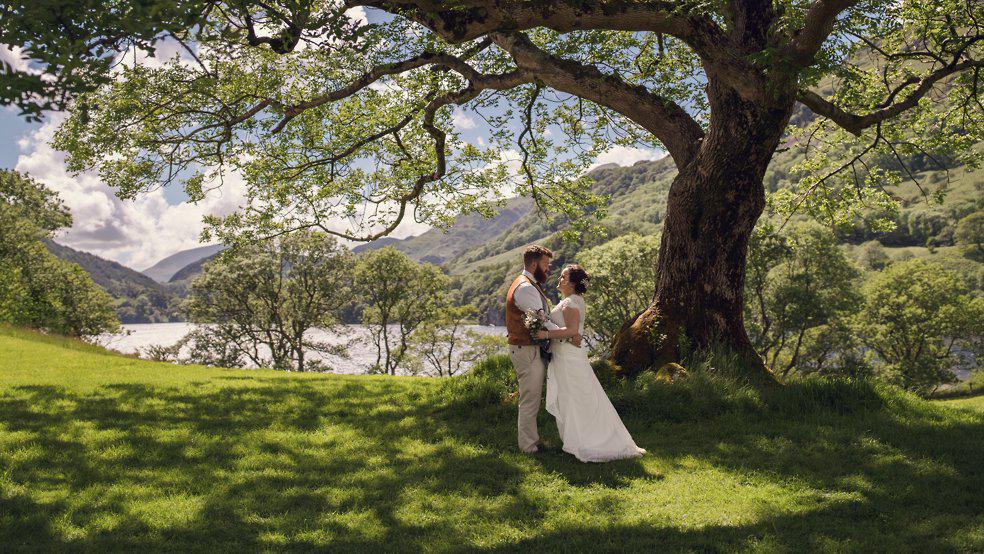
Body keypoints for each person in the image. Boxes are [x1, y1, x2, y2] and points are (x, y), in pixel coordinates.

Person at [534, 264, 646, 462]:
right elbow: (570, 332)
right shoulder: (572, 301)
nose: (559, 279)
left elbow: (571, 332)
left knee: (576, 397)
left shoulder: (570, 303)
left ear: (574, 283)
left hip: (569, 358)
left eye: (564, 277)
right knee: (573, 397)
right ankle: (576, 438)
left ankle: (588, 441)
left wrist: (545, 333)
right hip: (565, 354)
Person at [503, 245, 580, 454]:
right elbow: (543, 320)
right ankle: (528, 447)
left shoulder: (529, 284)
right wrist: (567, 335)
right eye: (545, 265)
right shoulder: (526, 287)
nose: (548, 269)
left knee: (532, 397)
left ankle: (532, 441)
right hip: (526, 350)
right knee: (530, 399)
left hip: (527, 348)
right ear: (535, 263)